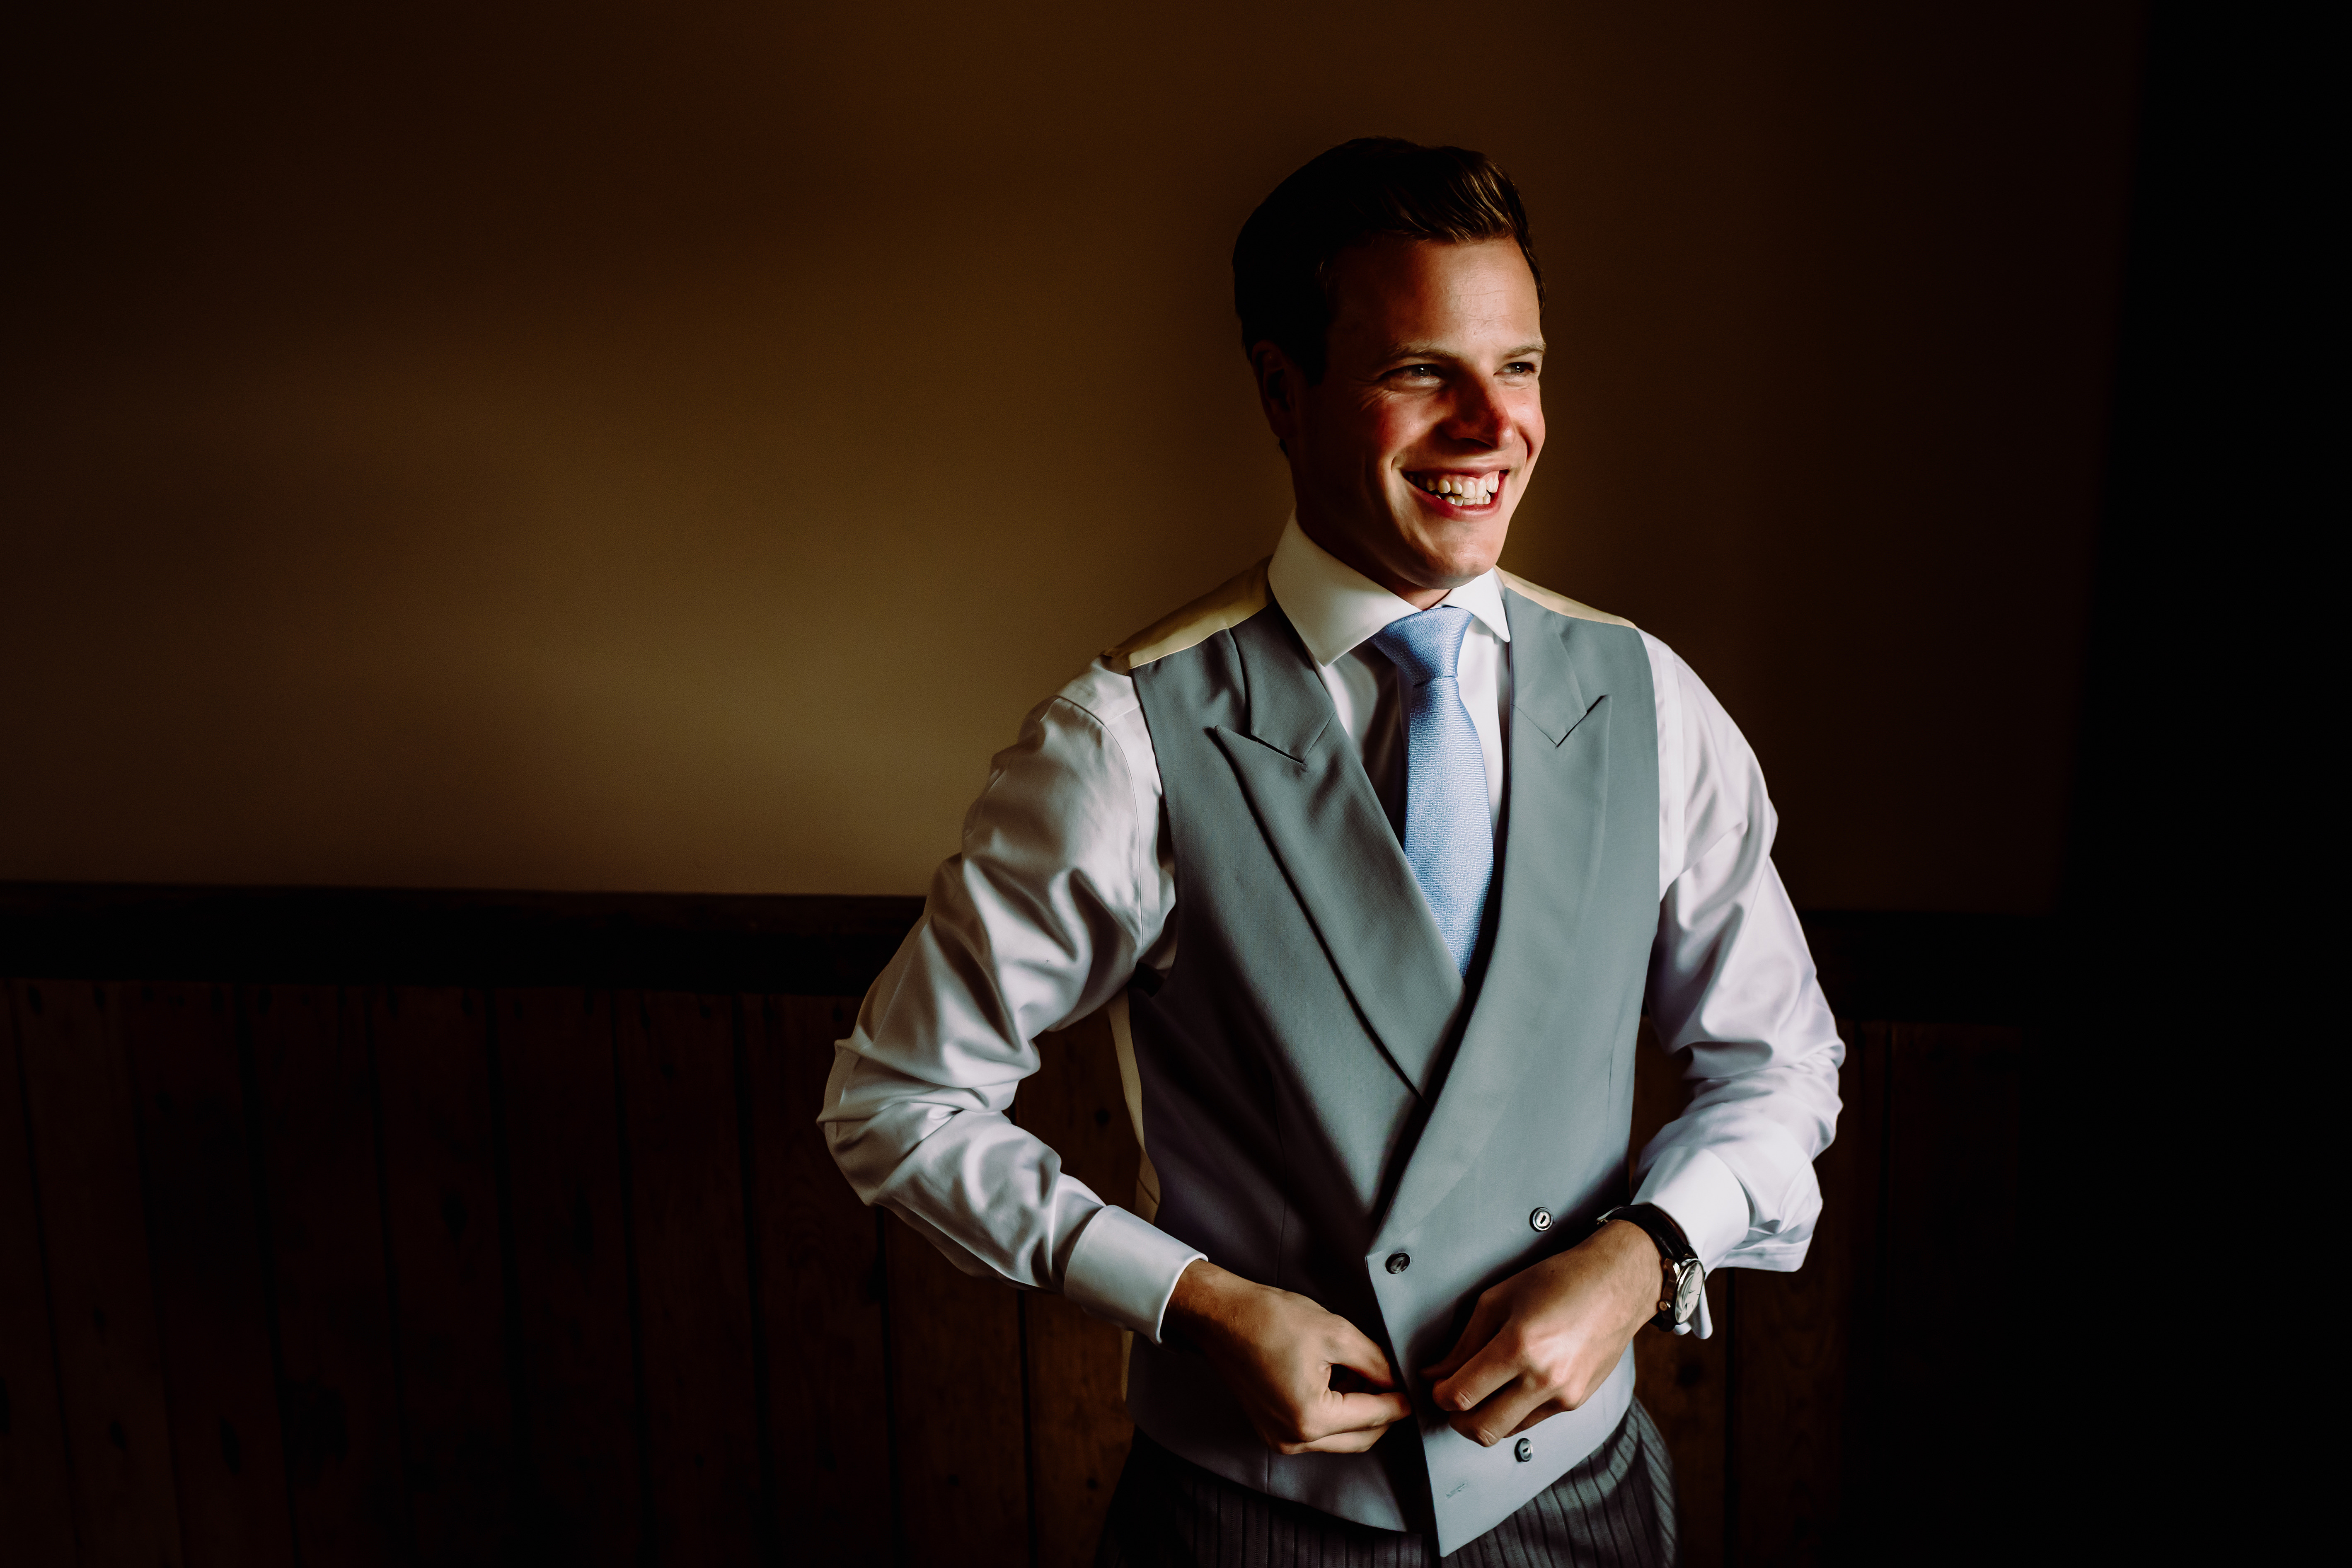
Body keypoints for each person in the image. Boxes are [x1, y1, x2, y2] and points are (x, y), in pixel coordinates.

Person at [821, 138, 1843, 1564]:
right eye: (1423, 371)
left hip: (1588, 1505)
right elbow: (898, 1103)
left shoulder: (1648, 701)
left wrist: (1645, 1258)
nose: (1493, 424)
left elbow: (1782, 1065)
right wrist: (1198, 1303)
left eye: (1524, 366)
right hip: (1249, 1518)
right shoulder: (1124, 741)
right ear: (1281, 390)